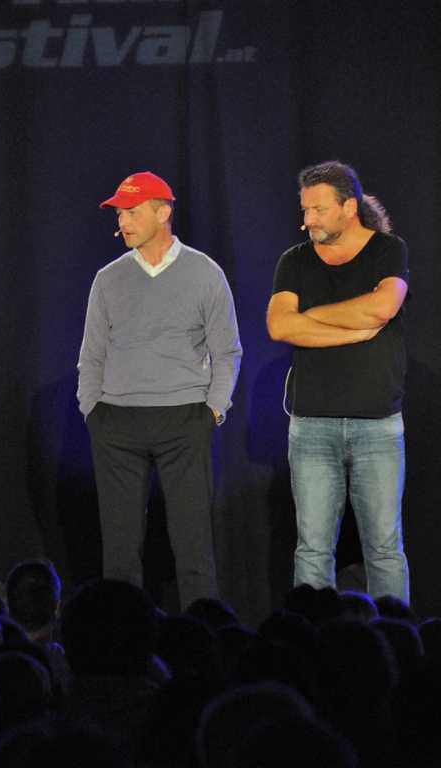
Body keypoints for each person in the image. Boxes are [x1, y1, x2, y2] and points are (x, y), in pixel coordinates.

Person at [77, 171, 242, 608]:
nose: (123, 222)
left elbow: (227, 351)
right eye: (119, 214)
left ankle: (202, 642)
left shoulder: (205, 273)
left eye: (131, 212)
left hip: (183, 419)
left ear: (163, 212)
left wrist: (212, 412)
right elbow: (91, 355)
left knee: (192, 546)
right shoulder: (108, 279)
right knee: (119, 551)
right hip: (116, 422)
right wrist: (92, 410)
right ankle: (121, 650)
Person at [266, 160, 409, 603]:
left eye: (318, 210)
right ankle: (311, 641)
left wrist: (309, 318)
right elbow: (279, 327)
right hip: (311, 427)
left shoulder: (388, 250)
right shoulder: (294, 261)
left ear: (349, 207)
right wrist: (350, 325)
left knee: (384, 550)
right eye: (304, 209)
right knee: (312, 549)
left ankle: (397, 643)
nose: (307, 219)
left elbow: (382, 308)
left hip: (377, 425)